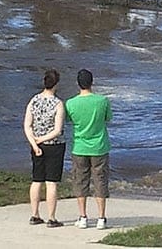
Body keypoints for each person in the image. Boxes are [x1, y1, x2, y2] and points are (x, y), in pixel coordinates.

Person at [65, 69, 113, 230]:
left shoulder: (71, 103)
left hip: (79, 147)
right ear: (92, 82)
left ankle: (83, 216)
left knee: (80, 181)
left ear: (78, 84)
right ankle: (101, 217)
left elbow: (69, 120)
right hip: (99, 146)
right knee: (100, 181)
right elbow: (108, 118)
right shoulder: (103, 101)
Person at [23, 68, 66, 228]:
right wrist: (43, 138)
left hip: (37, 147)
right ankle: (52, 217)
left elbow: (27, 126)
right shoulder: (58, 103)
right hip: (54, 146)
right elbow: (57, 130)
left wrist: (35, 143)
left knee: (36, 180)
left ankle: (34, 215)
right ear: (56, 84)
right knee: (51, 182)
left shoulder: (33, 100)